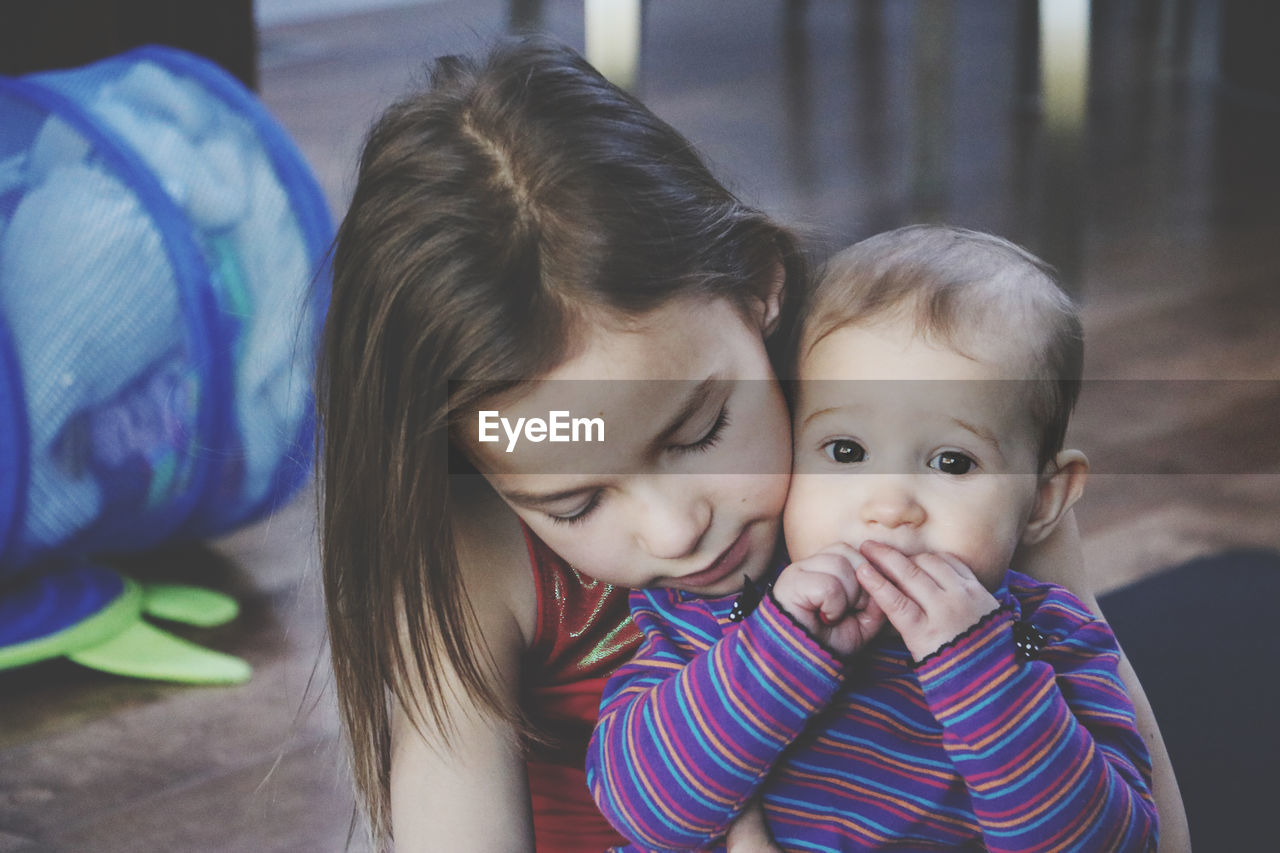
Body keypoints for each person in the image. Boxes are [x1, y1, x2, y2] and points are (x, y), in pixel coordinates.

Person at [316, 38, 1188, 852]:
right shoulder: (477, 550)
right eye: (575, 502)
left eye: (700, 432)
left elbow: (1145, 817)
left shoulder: (919, 451)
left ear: (761, 290)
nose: (674, 530)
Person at [587, 226, 1159, 851]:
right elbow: (638, 809)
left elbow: (1117, 844)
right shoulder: (719, 611)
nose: (889, 507)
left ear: (1042, 501)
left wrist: (981, 671)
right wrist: (779, 647)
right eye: (846, 450)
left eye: (952, 463)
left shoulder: (1051, 642)